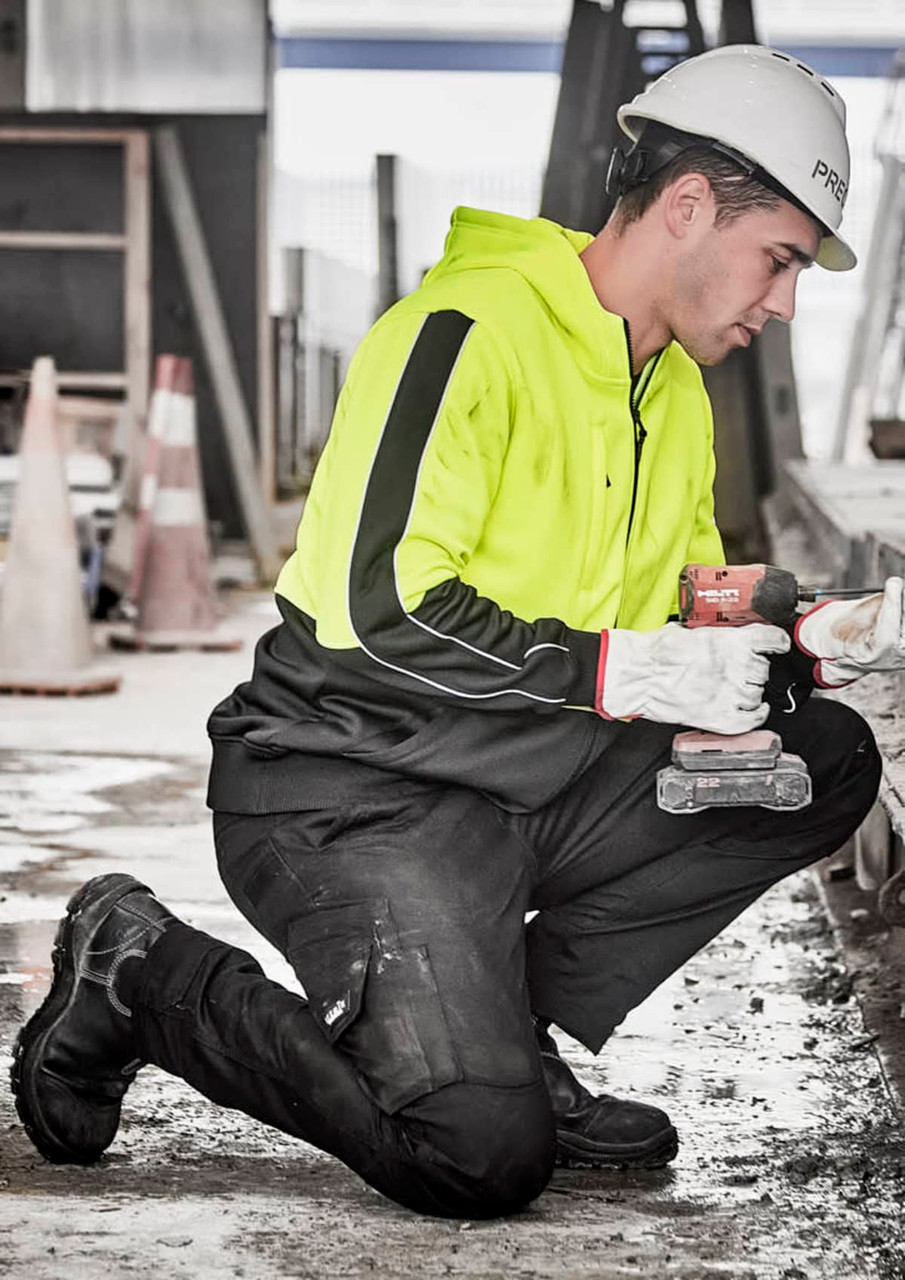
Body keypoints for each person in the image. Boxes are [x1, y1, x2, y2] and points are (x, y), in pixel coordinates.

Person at [12, 45, 897, 1219]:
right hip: (355, 781)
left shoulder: (666, 387)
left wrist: (804, 623)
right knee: (473, 1151)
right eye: (777, 259)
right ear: (688, 206)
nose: (783, 302)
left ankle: (503, 1031)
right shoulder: (460, 333)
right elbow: (380, 603)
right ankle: (139, 969)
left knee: (814, 758)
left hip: (525, 777)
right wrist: (609, 665)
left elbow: (684, 590)